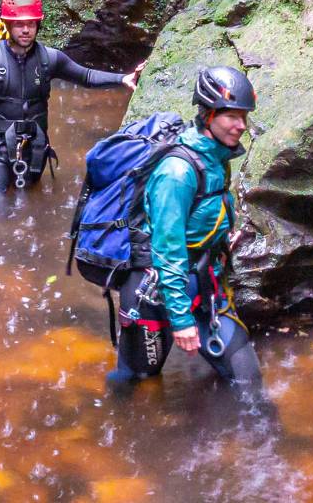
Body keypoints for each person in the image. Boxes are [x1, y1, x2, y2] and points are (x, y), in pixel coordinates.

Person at [106, 66, 264, 403]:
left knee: (248, 383)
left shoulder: (217, 157)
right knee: (135, 386)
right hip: (153, 293)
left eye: (244, 117)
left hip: (203, 284)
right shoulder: (177, 173)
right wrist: (180, 320)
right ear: (208, 116)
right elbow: (168, 249)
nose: (242, 125)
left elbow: (206, 217)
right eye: (232, 117)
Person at [0, 0, 140, 195]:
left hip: (33, 146)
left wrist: (123, 78)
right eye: (19, 24)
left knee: (28, 200)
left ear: (38, 25)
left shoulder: (50, 59)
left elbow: (86, 76)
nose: (26, 30)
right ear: (7, 24)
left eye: (31, 24)